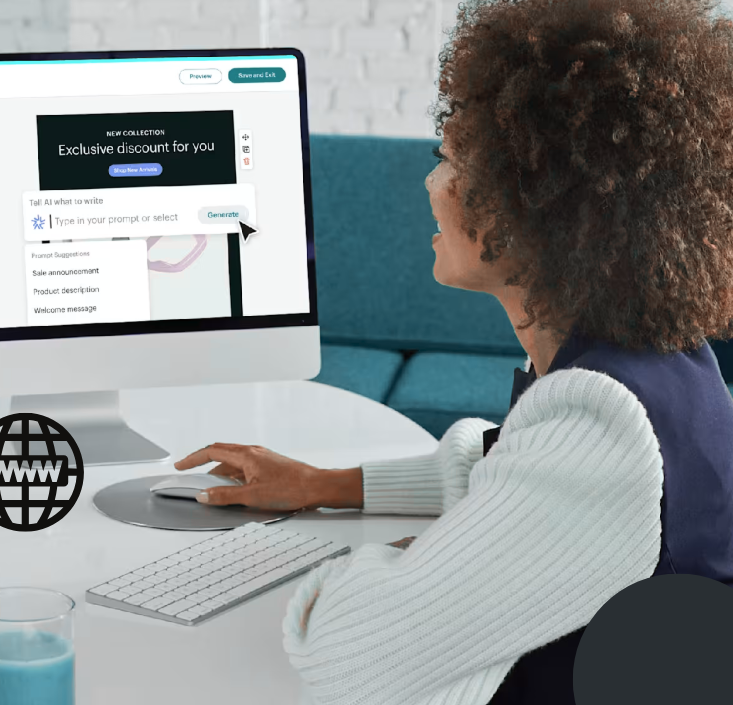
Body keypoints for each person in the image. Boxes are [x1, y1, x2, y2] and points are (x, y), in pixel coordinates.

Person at [175, 0, 733, 702]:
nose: (430, 183)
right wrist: (321, 484)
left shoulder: (602, 428)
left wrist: (416, 567)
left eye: (454, 159)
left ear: (534, 211)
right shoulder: (656, 356)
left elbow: (352, 651)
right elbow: (512, 463)